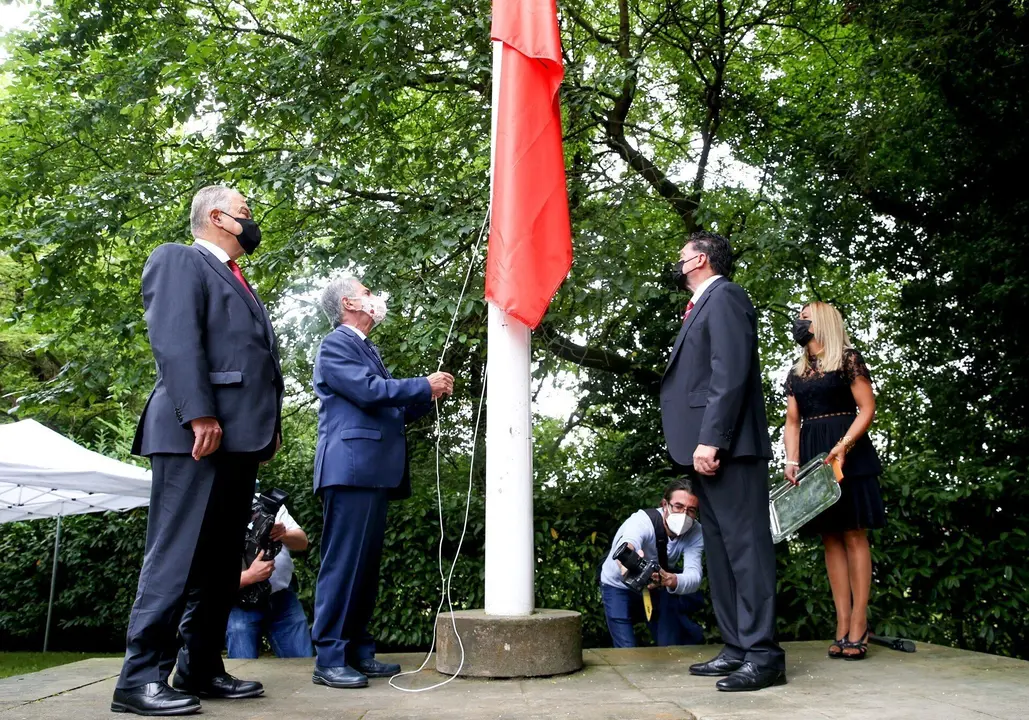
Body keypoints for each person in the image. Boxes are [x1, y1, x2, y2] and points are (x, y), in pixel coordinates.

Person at [113, 186, 284, 716]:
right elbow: (174, 338)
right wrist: (199, 411)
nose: (251, 221)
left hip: (239, 442)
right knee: (176, 554)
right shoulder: (179, 260)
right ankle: (139, 679)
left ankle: (200, 666)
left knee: (216, 561)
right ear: (217, 217)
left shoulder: (241, 281)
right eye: (245, 213)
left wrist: (268, 427)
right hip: (194, 432)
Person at [309, 275, 454, 689]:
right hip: (350, 468)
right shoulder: (336, 343)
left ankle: (356, 651)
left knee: (365, 568)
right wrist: (420, 385)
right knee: (344, 565)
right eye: (367, 292)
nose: (375, 298)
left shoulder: (365, 348)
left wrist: (426, 397)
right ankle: (330, 657)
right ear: (349, 304)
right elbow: (370, 391)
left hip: (369, 471)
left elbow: (388, 409)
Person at [659, 231, 785, 692]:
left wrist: (712, 439)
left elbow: (729, 373)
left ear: (701, 260)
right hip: (705, 451)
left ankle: (764, 655)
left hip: (730, 448)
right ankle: (737, 647)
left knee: (747, 550)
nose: (678, 262)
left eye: (682, 255)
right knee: (720, 551)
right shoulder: (701, 304)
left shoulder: (727, 296)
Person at [784, 301, 885, 661]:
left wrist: (844, 446)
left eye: (805, 317)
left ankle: (859, 622)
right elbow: (792, 421)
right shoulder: (796, 372)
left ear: (822, 321)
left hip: (848, 451)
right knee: (830, 537)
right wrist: (792, 460)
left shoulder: (848, 360)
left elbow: (867, 408)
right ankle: (841, 623)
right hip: (813, 457)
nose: (799, 322)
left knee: (854, 532)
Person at [599, 478, 706, 648]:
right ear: (665, 504)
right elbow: (628, 541)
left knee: (668, 643)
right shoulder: (643, 521)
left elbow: (694, 575)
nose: (684, 515)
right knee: (626, 647)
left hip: (655, 585)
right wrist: (629, 558)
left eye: (691, 510)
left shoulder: (695, 532)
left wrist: (671, 580)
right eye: (678, 507)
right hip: (617, 585)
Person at [226, 493, 313, 659]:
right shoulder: (213, 507)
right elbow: (203, 578)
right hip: (240, 604)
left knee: (302, 666)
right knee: (243, 673)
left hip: (283, 599)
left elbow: (302, 542)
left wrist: (282, 534)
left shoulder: (267, 502)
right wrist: (249, 576)